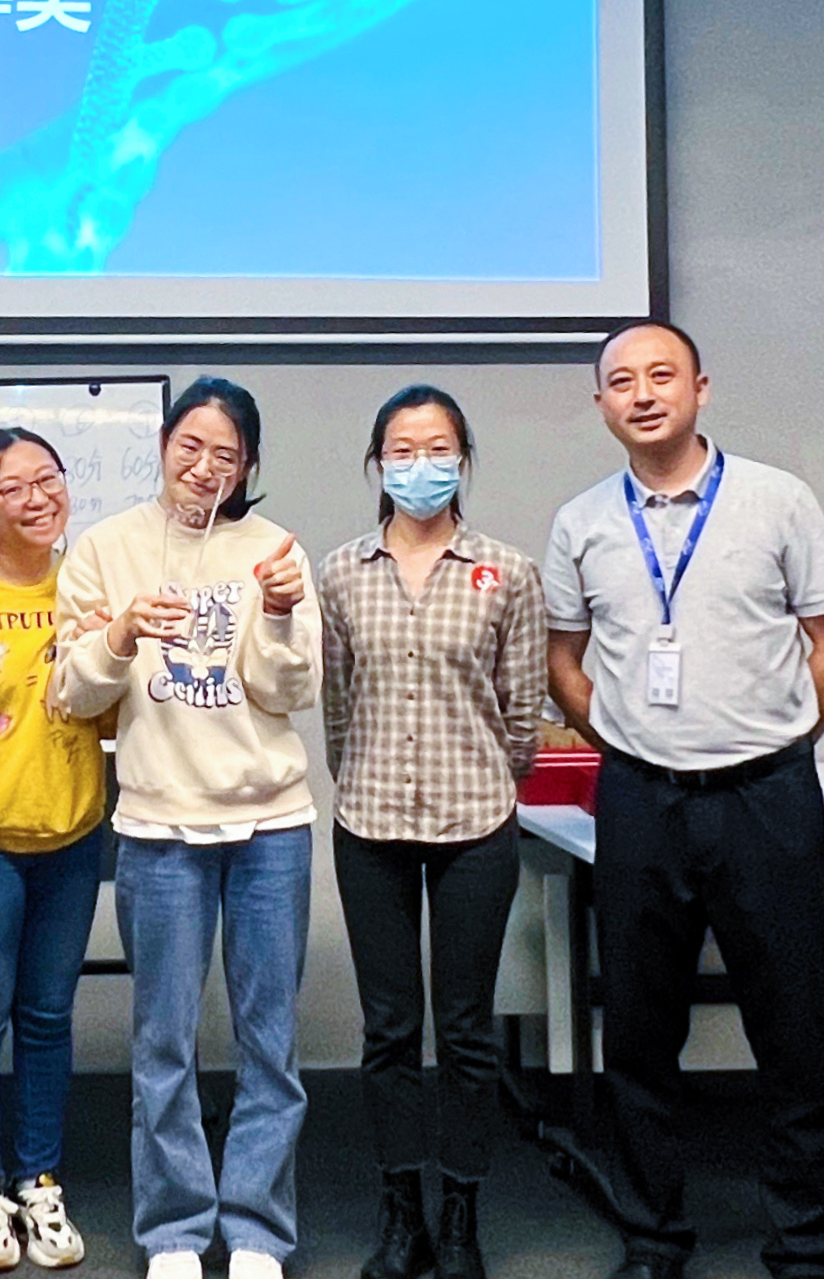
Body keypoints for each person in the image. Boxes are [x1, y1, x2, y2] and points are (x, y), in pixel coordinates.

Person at [541, 321, 824, 1279]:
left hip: (765, 798)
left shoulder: (776, 499)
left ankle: (804, 1242)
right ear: (601, 404)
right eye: (621, 382)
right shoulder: (581, 522)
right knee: (639, 1034)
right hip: (641, 802)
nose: (642, 394)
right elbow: (563, 662)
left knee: (792, 1030)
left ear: (700, 389)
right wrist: (625, 740)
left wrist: (781, 739)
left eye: (661, 376)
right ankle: (652, 1235)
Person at [52, 376, 321, 1279]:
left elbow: (288, 691)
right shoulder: (106, 547)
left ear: (248, 466)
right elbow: (70, 691)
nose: (204, 467)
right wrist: (123, 632)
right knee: (162, 1041)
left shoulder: (275, 551)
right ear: (164, 446)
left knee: (268, 1042)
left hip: (269, 825)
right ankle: (172, 1230)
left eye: (226, 455)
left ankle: (256, 1231)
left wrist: (276, 611)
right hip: (159, 826)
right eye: (189, 447)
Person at [317, 385, 545, 1279]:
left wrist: (487, 776)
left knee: (464, 1029)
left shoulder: (506, 572)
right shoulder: (341, 572)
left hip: (475, 822)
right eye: (402, 451)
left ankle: (459, 1214)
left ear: (464, 459)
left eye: (438, 448)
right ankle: (400, 1211)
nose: (420, 465)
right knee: (387, 1028)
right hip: (370, 821)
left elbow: (521, 711)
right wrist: (364, 776)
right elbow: (337, 706)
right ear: (378, 465)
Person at [0, 429, 108, 1273]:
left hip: (73, 832)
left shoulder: (90, 582)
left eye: (48, 479)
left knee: (46, 1017)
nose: (37, 498)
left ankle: (39, 1180)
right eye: (12, 487)